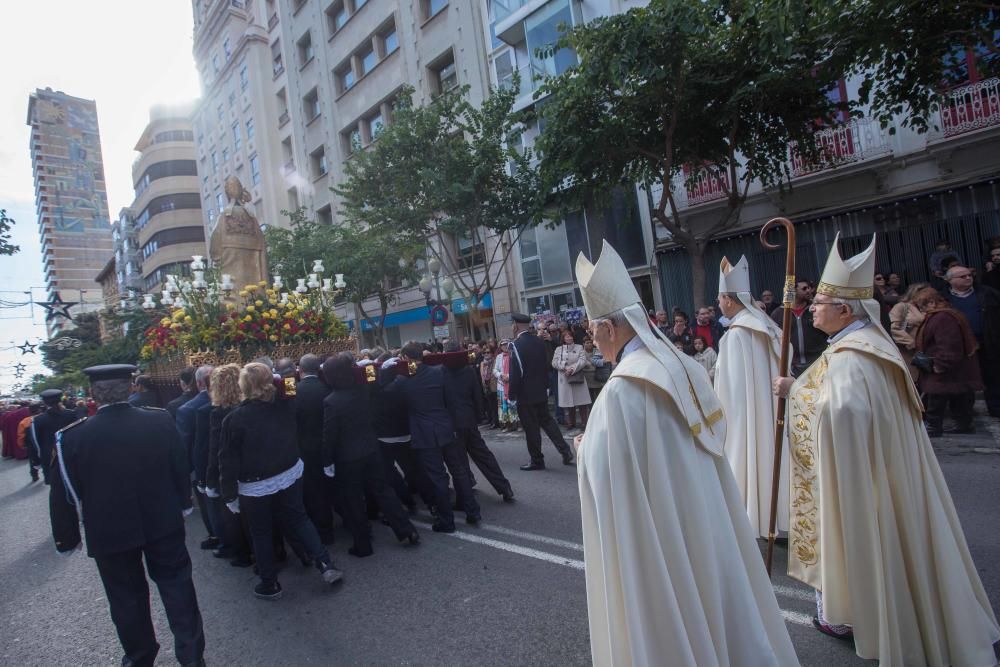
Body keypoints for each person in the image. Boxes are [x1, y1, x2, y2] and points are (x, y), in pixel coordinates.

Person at [773, 233, 999, 663]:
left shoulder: (855, 357)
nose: (813, 309)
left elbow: (844, 414)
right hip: (884, 472)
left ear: (844, 309)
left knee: (873, 542)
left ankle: (871, 614)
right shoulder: (864, 347)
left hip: (867, 480)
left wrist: (796, 392)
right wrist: (801, 386)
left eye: (820, 302)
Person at [575, 242, 797, 666]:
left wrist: (585, 451)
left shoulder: (622, 392)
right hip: (703, 516)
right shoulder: (682, 366)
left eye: (591, 331)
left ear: (607, 327)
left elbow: (608, 474)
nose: (592, 341)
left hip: (664, 528)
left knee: (675, 600)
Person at [49, 364, 206, 667]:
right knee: (177, 587)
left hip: (109, 529)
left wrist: (66, 538)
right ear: (130, 387)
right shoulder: (159, 422)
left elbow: (66, 493)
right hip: (162, 519)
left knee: (126, 598)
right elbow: (179, 465)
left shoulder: (72, 437)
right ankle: (191, 655)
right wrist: (183, 502)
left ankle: (139, 657)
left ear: (94, 393)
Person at [219, 362, 344, 600]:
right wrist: (274, 378)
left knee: (262, 532)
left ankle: (270, 582)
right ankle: (325, 563)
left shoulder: (235, 419)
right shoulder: (284, 404)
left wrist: (229, 494)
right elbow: (288, 386)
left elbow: (227, 461)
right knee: (299, 519)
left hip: (258, 481)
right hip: (286, 471)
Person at [714, 256, 789, 539]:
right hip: (770, 409)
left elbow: (728, 390)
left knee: (747, 457)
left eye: (720, 298)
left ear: (729, 300)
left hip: (744, 415)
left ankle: (752, 518)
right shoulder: (764, 324)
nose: (718, 303)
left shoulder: (736, 335)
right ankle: (775, 519)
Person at [322, 353, 419, 556]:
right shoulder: (362, 390)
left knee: (353, 499)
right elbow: (374, 383)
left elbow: (330, 435)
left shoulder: (331, 401)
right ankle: (406, 530)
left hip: (347, 457)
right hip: (370, 448)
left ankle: (363, 545)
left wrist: (327, 460)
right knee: (383, 491)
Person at [382, 342, 479, 531]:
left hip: (424, 433)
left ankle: (446, 521)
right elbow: (449, 399)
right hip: (445, 427)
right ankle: (473, 511)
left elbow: (385, 392)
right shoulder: (439, 371)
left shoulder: (402, 380)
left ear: (406, 359)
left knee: (438, 478)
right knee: (459, 471)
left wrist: (386, 370)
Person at [442, 340, 515, 503]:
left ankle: (466, 495)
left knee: (460, 461)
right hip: (469, 419)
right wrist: (478, 416)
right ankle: (504, 487)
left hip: (453, 422)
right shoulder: (468, 370)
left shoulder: (441, 372)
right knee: (484, 455)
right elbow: (477, 394)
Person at [912, 287, 983, 436]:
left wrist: (941, 364)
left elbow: (949, 343)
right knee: (957, 395)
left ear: (931, 302)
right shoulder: (944, 315)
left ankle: (935, 426)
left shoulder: (943, 318)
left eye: (922, 306)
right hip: (952, 365)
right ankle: (963, 425)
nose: (922, 310)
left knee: (937, 395)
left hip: (946, 365)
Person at [509, 314, 575, 471]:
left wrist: (512, 394)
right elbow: (546, 365)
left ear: (516, 326)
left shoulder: (516, 345)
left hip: (525, 394)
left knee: (531, 428)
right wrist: (545, 386)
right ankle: (565, 450)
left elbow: (516, 372)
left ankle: (537, 460)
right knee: (547, 421)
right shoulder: (539, 342)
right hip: (540, 390)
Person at [205, 364, 252, 567]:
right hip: (251, 467)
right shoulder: (248, 406)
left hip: (231, 471)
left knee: (233, 516)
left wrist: (210, 479)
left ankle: (242, 554)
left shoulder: (218, 413)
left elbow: (216, 451)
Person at [944, 264, 1000, 417]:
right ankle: (965, 414)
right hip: (960, 347)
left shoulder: (987, 293)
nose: (968, 278)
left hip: (988, 342)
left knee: (993, 377)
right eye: (963, 276)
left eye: (969, 275)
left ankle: (996, 409)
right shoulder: (943, 298)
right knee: (963, 379)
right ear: (950, 280)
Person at [293, 353, 335, 545]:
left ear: (300, 371)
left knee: (314, 490)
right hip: (330, 444)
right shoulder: (328, 387)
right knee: (330, 487)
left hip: (306, 448)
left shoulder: (295, 392)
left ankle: (322, 530)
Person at [176, 366, 218, 551]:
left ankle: (219, 537)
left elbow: (188, 444)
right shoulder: (189, 407)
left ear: (199, 382)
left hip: (205, 465)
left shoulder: (191, 408)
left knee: (212, 506)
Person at [770, 280, 826, 376]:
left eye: (808, 287)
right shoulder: (779, 314)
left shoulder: (815, 310)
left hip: (817, 363)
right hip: (792, 366)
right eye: (804, 288)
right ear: (794, 291)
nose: (808, 290)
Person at [28, 389, 78, 484]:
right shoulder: (72, 414)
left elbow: (36, 443)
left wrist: (38, 461)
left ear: (45, 403)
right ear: (60, 400)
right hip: (74, 454)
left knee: (57, 489)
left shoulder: (37, 420)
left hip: (51, 458)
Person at [551, 330, 592, 431]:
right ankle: (571, 422)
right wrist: (564, 368)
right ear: (563, 338)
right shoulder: (558, 349)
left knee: (582, 401)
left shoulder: (579, 347)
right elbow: (554, 362)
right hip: (564, 378)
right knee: (569, 401)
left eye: (570, 336)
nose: (569, 338)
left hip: (577, 376)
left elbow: (582, 361)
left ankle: (584, 422)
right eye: (566, 336)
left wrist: (572, 369)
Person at [888, 281, 929, 377]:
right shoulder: (902, 306)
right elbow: (893, 328)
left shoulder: (926, 307)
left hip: (927, 349)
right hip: (909, 351)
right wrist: (911, 343)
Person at [492, 341, 519, 432]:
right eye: (503, 345)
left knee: (513, 404)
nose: (505, 347)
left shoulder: (514, 355)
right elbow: (495, 370)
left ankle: (517, 423)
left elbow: (517, 368)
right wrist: (500, 375)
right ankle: (507, 424)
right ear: (500, 347)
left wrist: (509, 376)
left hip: (512, 384)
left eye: (506, 345)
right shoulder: (499, 357)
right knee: (504, 406)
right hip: (502, 385)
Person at [480, 343, 500, 429]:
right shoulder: (482, 363)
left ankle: (497, 422)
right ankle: (492, 421)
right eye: (484, 353)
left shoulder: (495, 360)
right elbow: (482, 375)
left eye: (488, 352)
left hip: (494, 386)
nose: (486, 354)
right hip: (487, 386)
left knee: (496, 405)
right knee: (490, 406)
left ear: (492, 353)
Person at [581, 337, 608, 402]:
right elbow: (582, 364)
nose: (589, 344)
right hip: (586, 378)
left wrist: (593, 364)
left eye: (590, 342)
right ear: (583, 344)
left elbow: (604, 361)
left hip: (598, 378)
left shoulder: (597, 350)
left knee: (599, 398)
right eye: (587, 343)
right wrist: (596, 363)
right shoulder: (581, 353)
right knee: (590, 399)